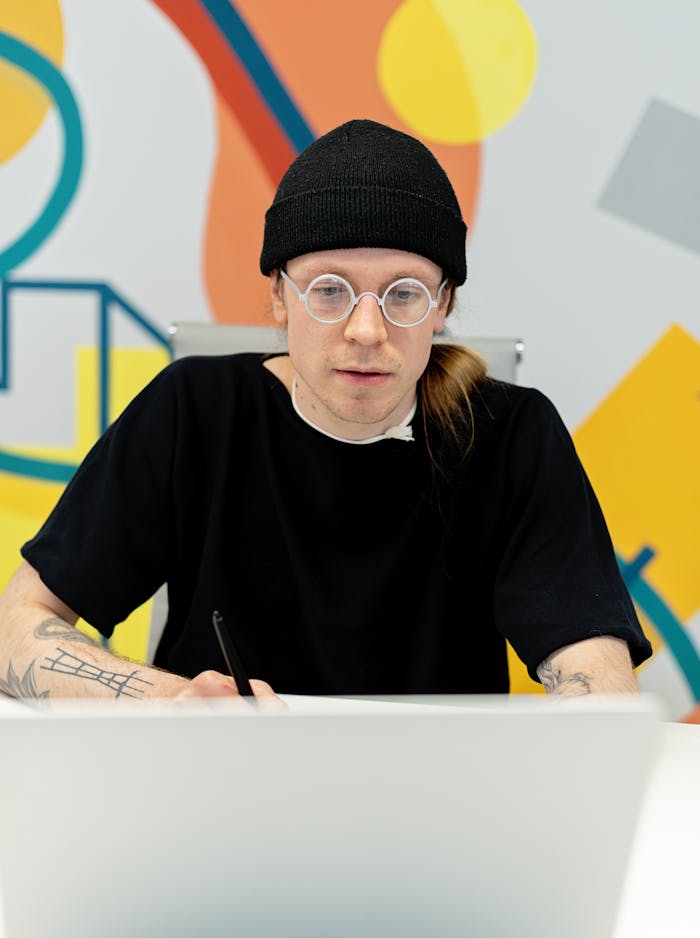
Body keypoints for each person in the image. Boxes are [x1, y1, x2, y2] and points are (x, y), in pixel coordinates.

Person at [0, 119, 651, 704]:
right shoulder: (191, 412)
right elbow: (16, 627)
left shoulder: (512, 435)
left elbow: (596, 678)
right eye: (329, 289)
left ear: (444, 305)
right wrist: (169, 700)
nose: (366, 330)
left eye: (404, 294)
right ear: (279, 298)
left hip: (441, 809)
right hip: (214, 793)